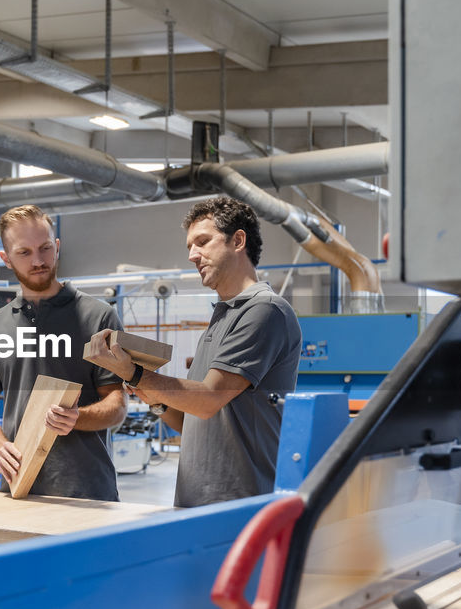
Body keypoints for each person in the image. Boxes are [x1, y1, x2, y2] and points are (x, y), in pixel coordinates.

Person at [85, 197, 301, 507]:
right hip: (195, 502)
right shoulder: (221, 317)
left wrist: (136, 373)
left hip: (239, 504)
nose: (191, 255)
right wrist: (153, 397)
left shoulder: (264, 311)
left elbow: (209, 398)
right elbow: (192, 420)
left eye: (202, 241)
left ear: (238, 240)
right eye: (189, 245)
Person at [0, 204, 127, 500]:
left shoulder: (99, 318)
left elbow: (117, 404)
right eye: (24, 252)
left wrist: (77, 417)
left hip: (87, 492)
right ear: (6, 259)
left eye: (44, 248)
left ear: (57, 246)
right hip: (19, 489)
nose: (38, 261)